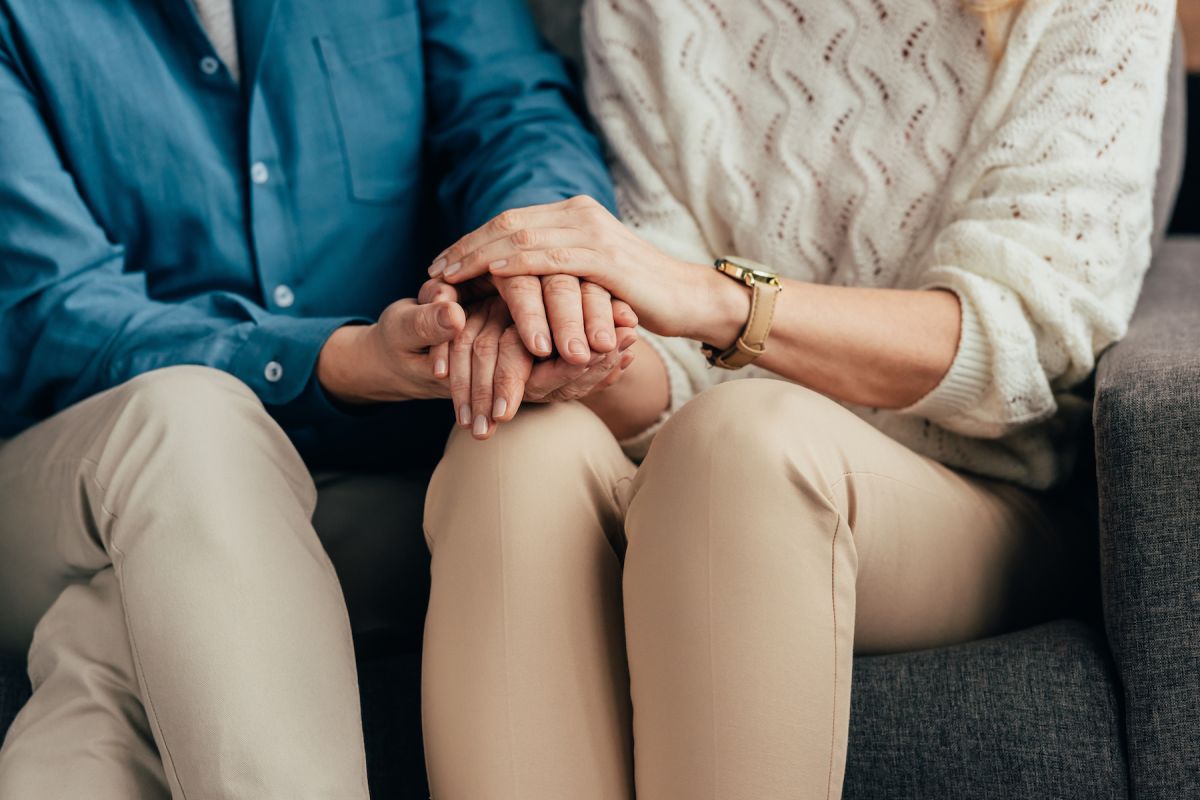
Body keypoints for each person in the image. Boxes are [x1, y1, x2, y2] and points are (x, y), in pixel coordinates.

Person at [420, 0, 1175, 797]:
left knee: (741, 446)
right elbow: (669, 356)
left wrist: (717, 301)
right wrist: (567, 345)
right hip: (697, 447)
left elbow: (1020, 341)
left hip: (980, 488)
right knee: (509, 442)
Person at [0, 0, 631, 797]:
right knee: (187, 418)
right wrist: (343, 361)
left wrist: (530, 278)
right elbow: (45, 314)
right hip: (66, 485)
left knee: (113, 636)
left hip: (378, 488)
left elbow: (512, 119)